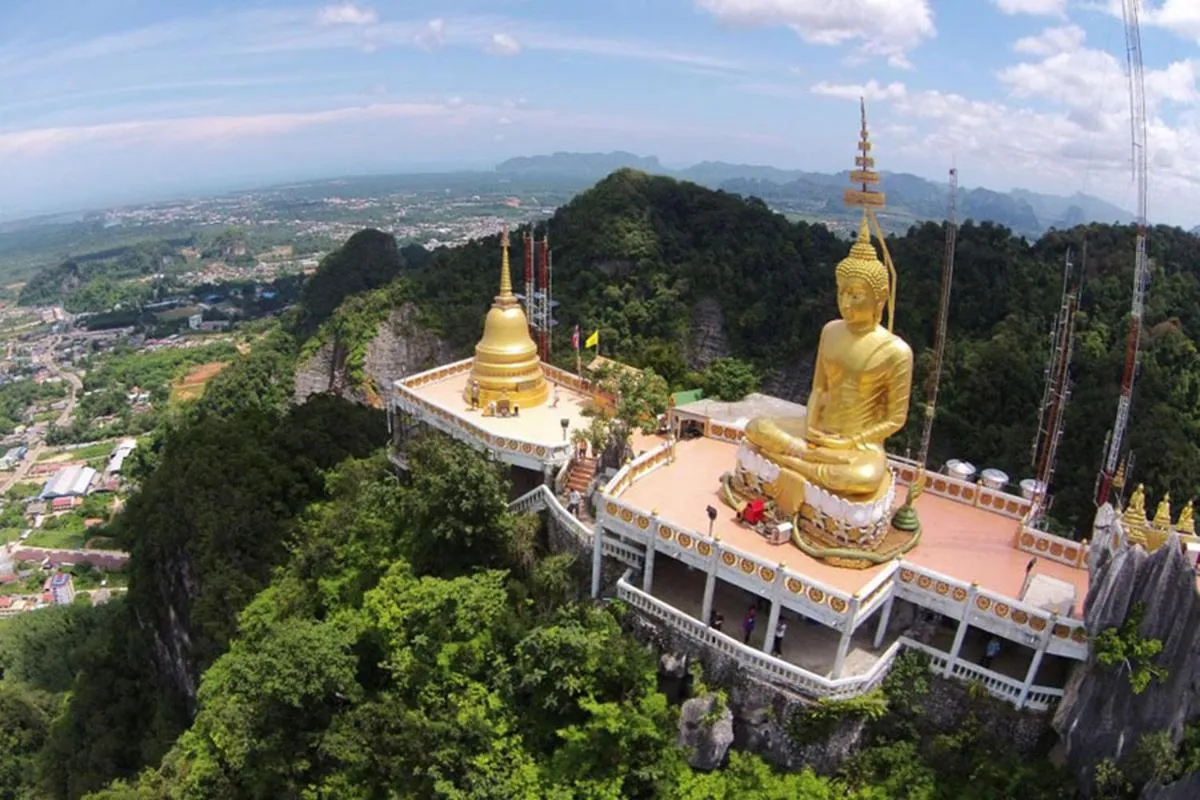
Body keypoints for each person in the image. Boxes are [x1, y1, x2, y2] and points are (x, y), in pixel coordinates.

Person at [739, 214, 913, 515]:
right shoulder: (831, 330)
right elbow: (819, 388)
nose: (846, 303)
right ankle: (804, 459)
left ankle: (793, 463)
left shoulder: (895, 351)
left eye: (856, 295)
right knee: (756, 427)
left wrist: (851, 440)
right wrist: (810, 428)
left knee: (863, 478)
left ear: (880, 298)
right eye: (841, 292)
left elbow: (895, 420)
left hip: (856, 445)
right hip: (816, 435)